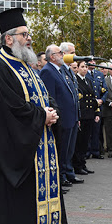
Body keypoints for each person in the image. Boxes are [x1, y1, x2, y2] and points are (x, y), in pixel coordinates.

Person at [0, 7, 71, 224]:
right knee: (21, 204)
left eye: (28, 33)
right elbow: (9, 110)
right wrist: (39, 117)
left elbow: (43, 97)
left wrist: (50, 112)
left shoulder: (27, 66)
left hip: (39, 143)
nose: (29, 38)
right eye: (24, 34)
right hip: (19, 149)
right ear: (8, 39)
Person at [40, 44, 80, 186]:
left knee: (69, 149)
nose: (63, 55)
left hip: (71, 117)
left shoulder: (60, 70)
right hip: (61, 117)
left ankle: (68, 173)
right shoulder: (47, 71)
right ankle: (60, 177)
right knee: (61, 149)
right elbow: (50, 97)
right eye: (60, 53)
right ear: (52, 56)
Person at [73, 61, 100, 175]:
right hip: (82, 115)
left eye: (85, 67)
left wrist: (96, 113)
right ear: (77, 68)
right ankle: (77, 165)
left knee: (85, 141)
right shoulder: (75, 81)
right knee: (79, 142)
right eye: (82, 67)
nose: (84, 69)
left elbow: (93, 98)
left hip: (89, 115)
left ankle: (83, 164)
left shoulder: (88, 80)